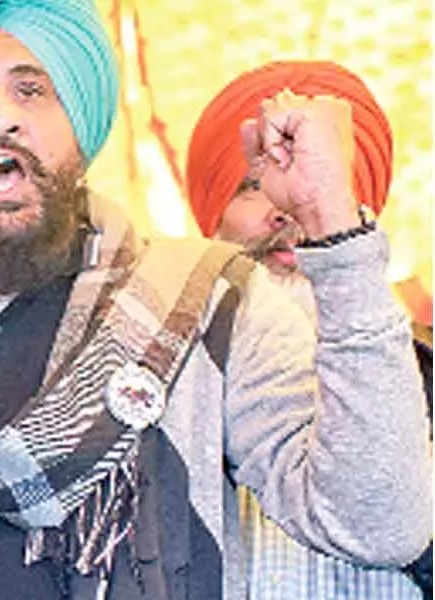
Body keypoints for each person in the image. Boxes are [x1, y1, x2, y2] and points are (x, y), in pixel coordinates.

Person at [0, 1, 431, 598]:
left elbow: (379, 524)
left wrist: (336, 231)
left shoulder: (212, 302)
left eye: (33, 89)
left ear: (83, 120)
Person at [186, 59, 432, 599]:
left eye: (323, 185)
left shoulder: (426, 376)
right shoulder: (168, 383)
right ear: (211, 217)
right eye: (253, 186)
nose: (287, 208)